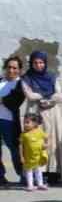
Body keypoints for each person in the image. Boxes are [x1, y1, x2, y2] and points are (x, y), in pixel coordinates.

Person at [20, 50, 62, 181]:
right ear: (31, 63)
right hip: (35, 111)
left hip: (53, 111)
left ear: (45, 63)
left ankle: (57, 173)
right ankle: (37, 175)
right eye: (35, 62)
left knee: (55, 140)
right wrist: (44, 97)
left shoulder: (51, 76)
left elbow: (60, 94)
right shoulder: (26, 78)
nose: (38, 65)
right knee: (36, 142)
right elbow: (29, 95)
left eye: (41, 62)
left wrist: (50, 100)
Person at [0, 56, 23, 184]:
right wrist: (5, 99)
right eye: (9, 67)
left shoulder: (20, 83)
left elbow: (15, 102)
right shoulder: (0, 80)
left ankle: (23, 174)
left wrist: (2, 100)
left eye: (14, 68)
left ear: (19, 70)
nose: (11, 70)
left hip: (9, 122)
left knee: (15, 150)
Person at [18, 113, 48, 190]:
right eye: (24, 122)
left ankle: (40, 184)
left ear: (35, 123)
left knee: (38, 170)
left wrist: (45, 145)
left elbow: (46, 138)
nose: (25, 124)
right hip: (28, 157)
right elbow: (20, 146)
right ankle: (30, 185)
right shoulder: (24, 134)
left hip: (38, 156)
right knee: (29, 171)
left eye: (27, 122)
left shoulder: (39, 131)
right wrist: (21, 156)